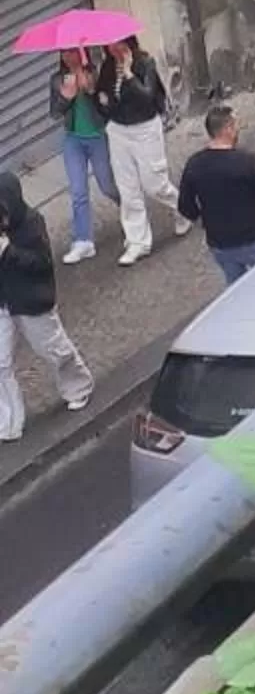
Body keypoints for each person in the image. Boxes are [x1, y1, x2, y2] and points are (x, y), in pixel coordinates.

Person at [0, 171, 93, 439]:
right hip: (3, 302)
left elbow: (40, 264)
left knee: (53, 349)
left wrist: (8, 252)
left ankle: (78, 386)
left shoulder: (32, 223)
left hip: (30, 300)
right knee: (0, 363)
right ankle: (9, 421)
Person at [175, 105, 255, 286]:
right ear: (227, 129)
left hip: (220, 244)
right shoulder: (246, 162)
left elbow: (184, 205)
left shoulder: (194, 165)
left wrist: (204, 221)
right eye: (235, 125)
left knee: (236, 286)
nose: (238, 129)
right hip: (254, 239)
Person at [97, 37, 186, 265]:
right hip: (119, 130)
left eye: (118, 43)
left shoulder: (145, 64)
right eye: (110, 45)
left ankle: (184, 208)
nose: (114, 49)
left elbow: (147, 98)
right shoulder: (107, 67)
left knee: (155, 184)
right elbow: (103, 98)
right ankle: (138, 241)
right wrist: (97, 96)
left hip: (145, 128)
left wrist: (129, 75)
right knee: (127, 189)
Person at [48, 47, 118, 266]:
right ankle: (83, 240)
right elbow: (54, 112)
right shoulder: (57, 80)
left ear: (81, 52)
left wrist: (89, 87)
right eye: (64, 52)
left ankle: (131, 209)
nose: (68, 56)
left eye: (72, 51)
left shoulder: (93, 72)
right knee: (78, 192)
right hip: (73, 140)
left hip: (97, 137)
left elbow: (101, 99)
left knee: (107, 185)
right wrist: (65, 97)